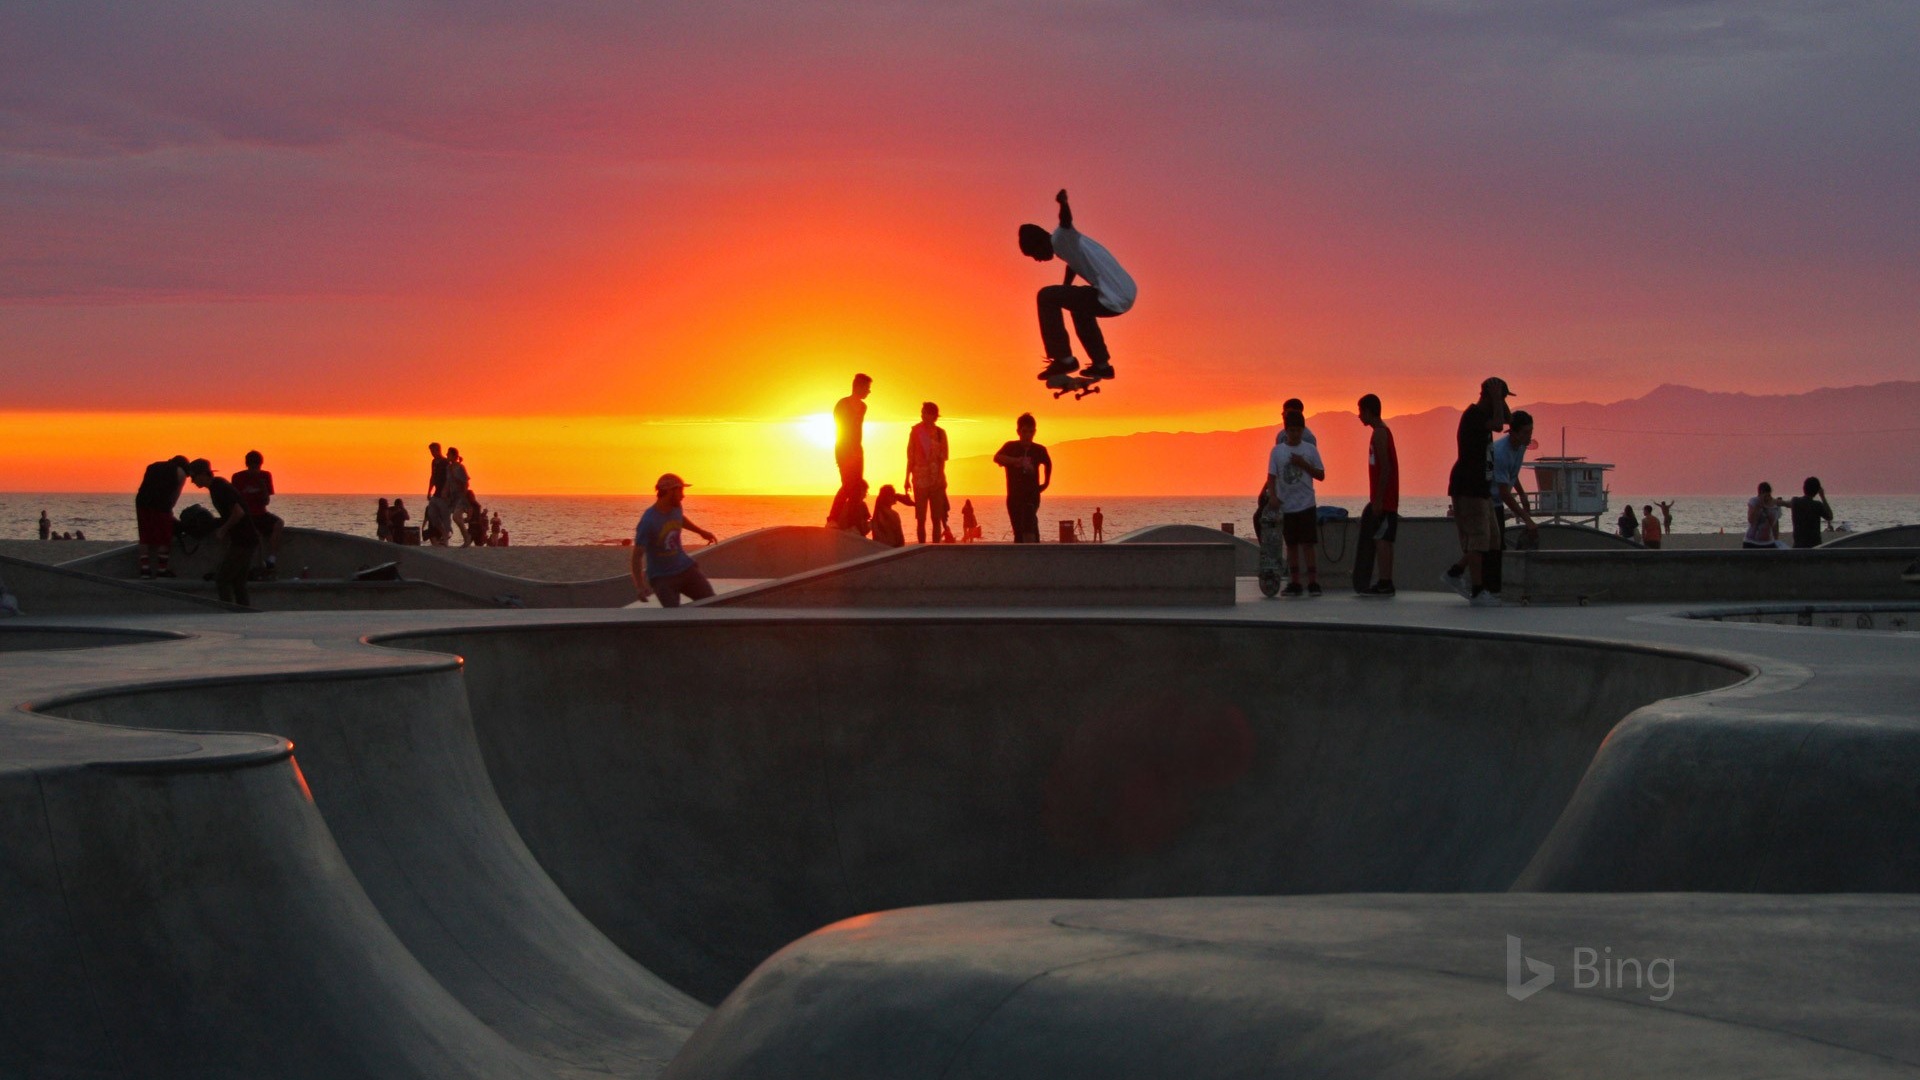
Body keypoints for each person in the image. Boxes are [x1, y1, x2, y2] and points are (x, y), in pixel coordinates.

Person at [1020, 189, 1136, 384]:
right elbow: (1072, 264)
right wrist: (1066, 289)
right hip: (1125, 293)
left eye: (1035, 254)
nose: (1038, 260)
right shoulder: (1068, 248)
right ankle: (1102, 365)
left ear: (1041, 242)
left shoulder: (1060, 238)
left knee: (1045, 296)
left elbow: (1065, 223)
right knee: (1078, 308)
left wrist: (1063, 204)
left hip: (1112, 297)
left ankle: (1064, 359)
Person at [1441, 378, 1512, 607]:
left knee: (1493, 539)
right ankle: (1478, 591)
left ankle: (1456, 571)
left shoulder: (1488, 415)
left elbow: (1507, 419)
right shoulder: (1473, 416)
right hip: (1468, 485)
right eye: (1499, 399)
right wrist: (1494, 397)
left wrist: (1499, 398)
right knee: (1478, 539)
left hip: (1481, 487)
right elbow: (1500, 426)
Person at [632, 473, 717, 608]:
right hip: (662, 578)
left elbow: (680, 519)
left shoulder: (676, 507)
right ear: (670, 491)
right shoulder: (648, 521)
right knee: (673, 616)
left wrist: (701, 532)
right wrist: (640, 586)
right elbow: (636, 557)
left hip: (686, 569)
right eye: (680, 491)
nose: (683, 496)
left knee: (712, 604)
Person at [1263, 412, 1326, 596]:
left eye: (1298, 430)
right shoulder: (1277, 451)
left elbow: (1321, 475)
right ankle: (1295, 582)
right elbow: (1271, 477)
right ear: (1286, 430)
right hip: (1287, 505)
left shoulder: (1310, 450)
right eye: (1292, 430)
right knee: (1291, 545)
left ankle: (1313, 582)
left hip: (1306, 504)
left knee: (1308, 544)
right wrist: (1273, 497)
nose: (1295, 434)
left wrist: (1303, 463)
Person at [186, 459, 260, 607]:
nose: (192, 481)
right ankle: (243, 615)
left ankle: (229, 614)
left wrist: (223, 529)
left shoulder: (219, 487)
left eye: (194, 477)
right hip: (247, 539)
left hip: (243, 541)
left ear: (202, 475)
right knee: (238, 582)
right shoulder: (217, 486)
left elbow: (238, 513)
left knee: (222, 580)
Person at [1352, 393, 1399, 596]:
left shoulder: (1380, 433)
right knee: (1381, 539)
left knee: (1383, 540)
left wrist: (1379, 499)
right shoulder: (1379, 432)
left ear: (1369, 411)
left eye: (1361, 411)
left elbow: (1386, 468)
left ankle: (1385, 582)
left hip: (1385, 500)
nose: (1359, 415)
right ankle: (1383, 581)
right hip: (1382, 498)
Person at [1488, 409, 1538, 593]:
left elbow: (1512, 474)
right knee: (1493, 546)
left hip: (1498, 502)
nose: (1529, 436)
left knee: (1497, 546)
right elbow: (1503, 493)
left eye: (1530, 432)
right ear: (1514, 432)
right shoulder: (1500, 452)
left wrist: (1523, 495)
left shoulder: (1521, 446)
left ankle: (1495, 588)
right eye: (1525, 432)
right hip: (1488, 502)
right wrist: (1527, 519)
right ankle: (1489, 587)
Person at [993, 413, 1052, 543]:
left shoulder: (1039, 450)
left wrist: (1045, 484)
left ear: (1034, 432)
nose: (1027, 435)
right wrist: (1016, 461)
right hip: (1014, 496)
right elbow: (997, 457)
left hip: (1031, 496)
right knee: (1019, 532)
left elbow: (1048, 464)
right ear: (1018, 431)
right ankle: (1022, 557)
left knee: (1028, 523)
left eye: (1031, 432)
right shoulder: (1010, 447)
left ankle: (1032, 554)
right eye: (1024, 431)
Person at [134, 454, 190, 578]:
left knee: (144, 536)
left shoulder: (153, 466)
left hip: (142, 502)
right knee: (164, 538)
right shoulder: (180, 472)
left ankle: (145, 570)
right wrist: (170, 510)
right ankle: (161, 570)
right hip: (162, 505)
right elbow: (175, 495)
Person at [827, 374, 872, 526]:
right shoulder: (842, 404)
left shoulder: (863, 407)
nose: (869, 391)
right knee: (847, 485)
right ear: (858, 387)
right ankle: (832, 519)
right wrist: (849, 449)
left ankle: (852, 523)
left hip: (857, 450)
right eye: (867, 388)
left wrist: (856, 450)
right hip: (844, 449)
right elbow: (841, 429)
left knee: (856, 487)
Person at [231, 450, 282, 578]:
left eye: (257, 466)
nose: (255, 470)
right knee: (256, 535)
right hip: (246, 515)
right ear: (247, 465)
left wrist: (263, 487)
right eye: (252, 467)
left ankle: (271, 559)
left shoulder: (265, 476)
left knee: (278, 523)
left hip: (261, 513)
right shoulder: (238, 477)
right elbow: (235, 500)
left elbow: (267, 501)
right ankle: (258, 566)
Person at [905, 401, 951, 543]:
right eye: (922, 412)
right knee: (921, 518)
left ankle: (936, 547)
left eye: (925, 412)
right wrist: (906, 478)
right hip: (919, 480)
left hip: (936, 480)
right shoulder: (915, 431)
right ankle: (921, 546)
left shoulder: (940, 433)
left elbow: (943, 458)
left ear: (933, 415)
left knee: (936, 518)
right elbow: (910, 456)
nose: (922, 415)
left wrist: (940, 479)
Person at [444, 447, 474, 545]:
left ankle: (467, 537)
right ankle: (466, 538)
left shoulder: (460, 467)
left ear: (453, 456)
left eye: (448, 454)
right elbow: (448, 482)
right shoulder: (448, 468)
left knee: (456, 517)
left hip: (461, 496)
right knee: (452, 517)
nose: (447, 455)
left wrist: (465, 499)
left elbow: (466, 483)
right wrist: (445, 491)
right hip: (452, 497)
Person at [1744, 482, 1786, 549]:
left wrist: (1776, 540)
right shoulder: (1754, 501)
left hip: (1769, 542)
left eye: (1768, 495)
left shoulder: (1774, 503)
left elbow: (1775, 525)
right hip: (1751, 542)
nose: (1767, 498)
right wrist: (1760, 504)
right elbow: (1751, 520)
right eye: (1765, 495)